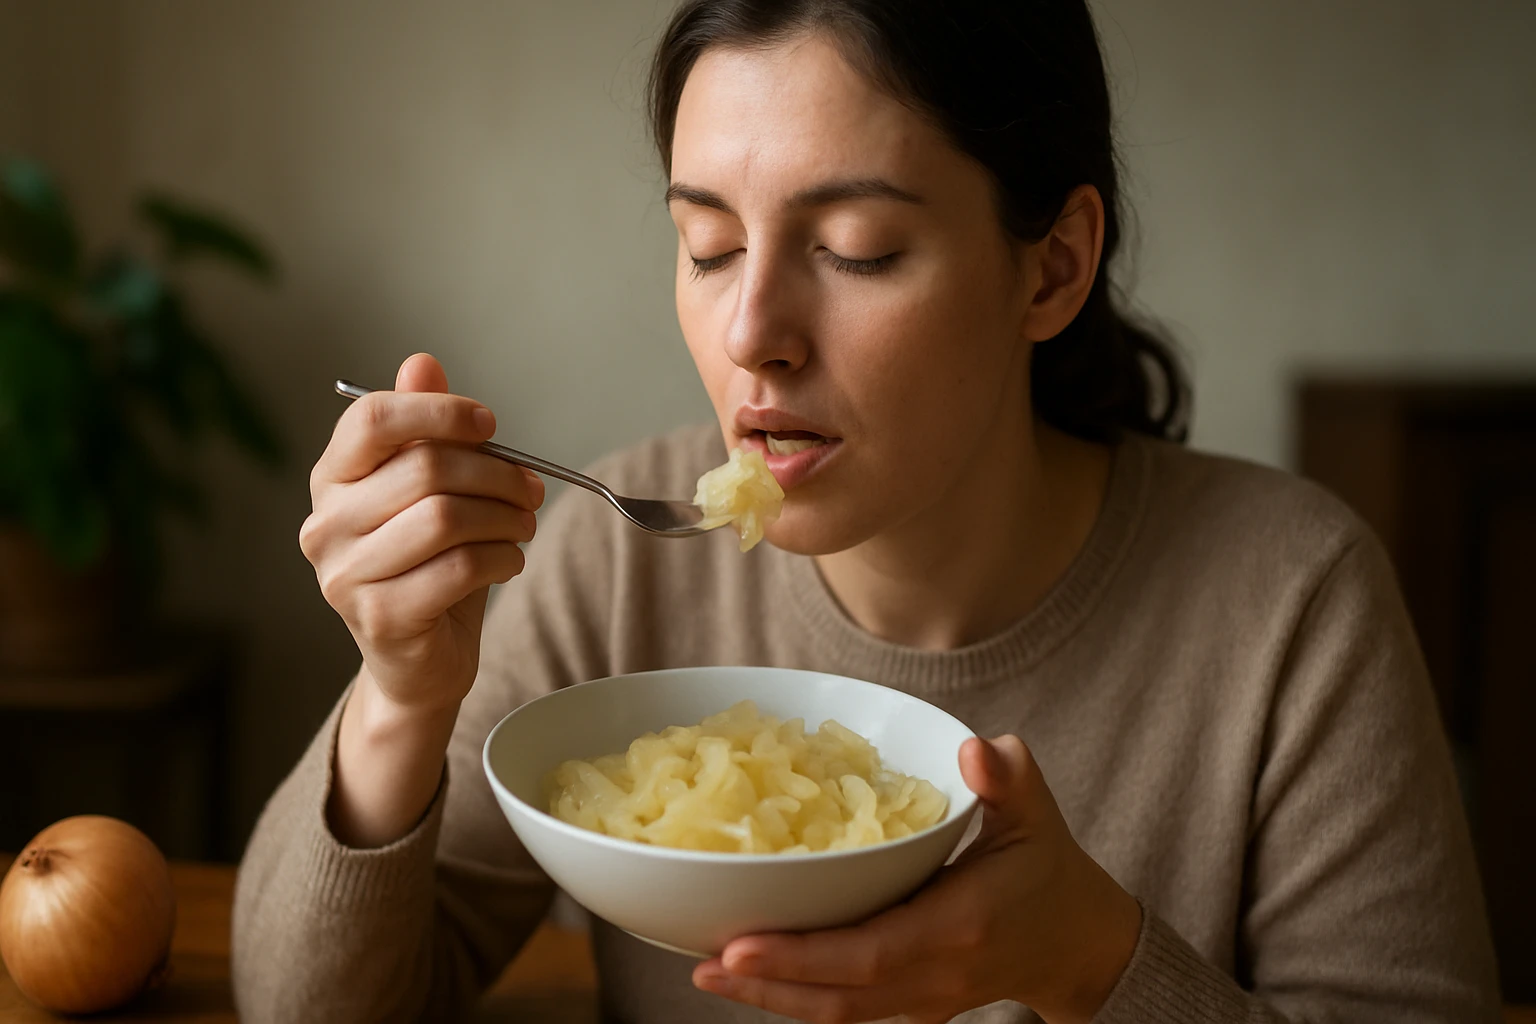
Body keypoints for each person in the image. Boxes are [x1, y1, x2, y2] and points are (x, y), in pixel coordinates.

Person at [231, 1, 1500, 1021]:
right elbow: (302, 1004)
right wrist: (397, 694)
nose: (752, 336)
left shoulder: (1295, 599)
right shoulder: (612, 570)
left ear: (1051, 266)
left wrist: (1091, 965)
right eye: (711, 246)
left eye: (856, 249)